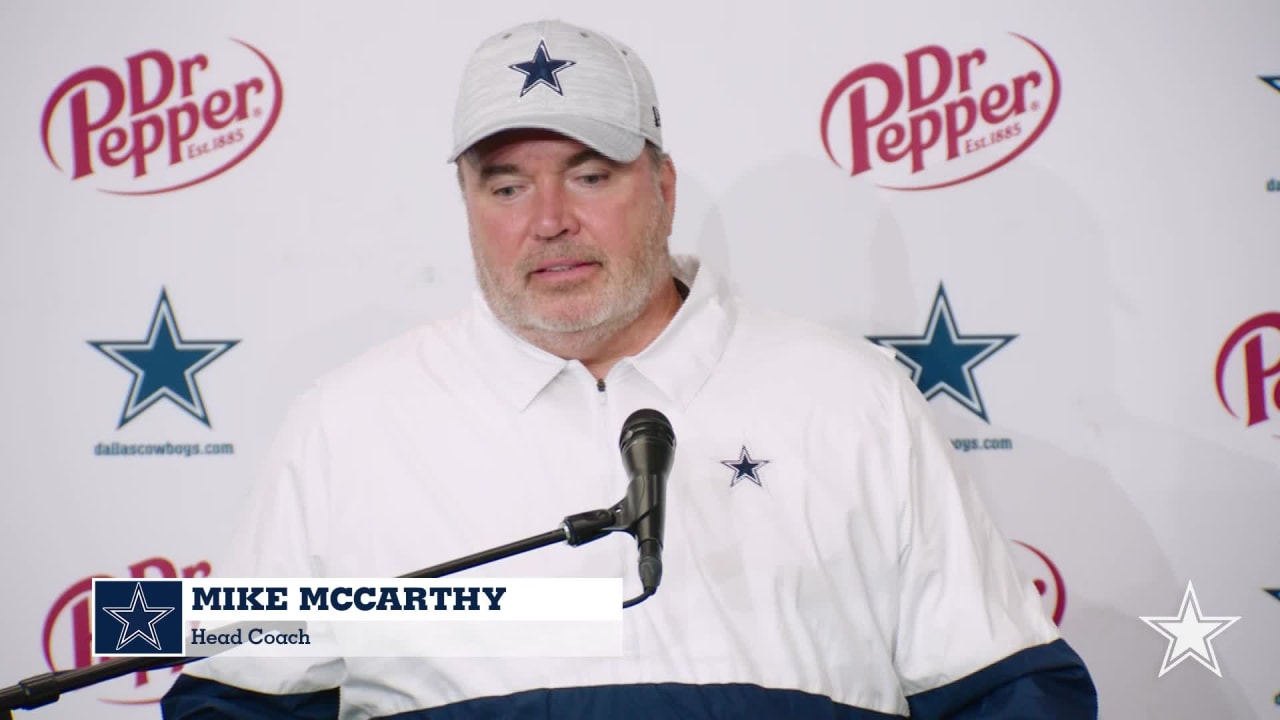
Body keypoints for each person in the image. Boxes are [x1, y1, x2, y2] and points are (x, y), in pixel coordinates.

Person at [162, 18, 1097, 719]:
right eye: (507, 184)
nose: (550, 218)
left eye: (591, 173)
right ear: (467, 203)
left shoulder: (850, 399)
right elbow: (231, 701)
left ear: (664, 186)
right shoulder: (348, 427)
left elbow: (1006, 695)